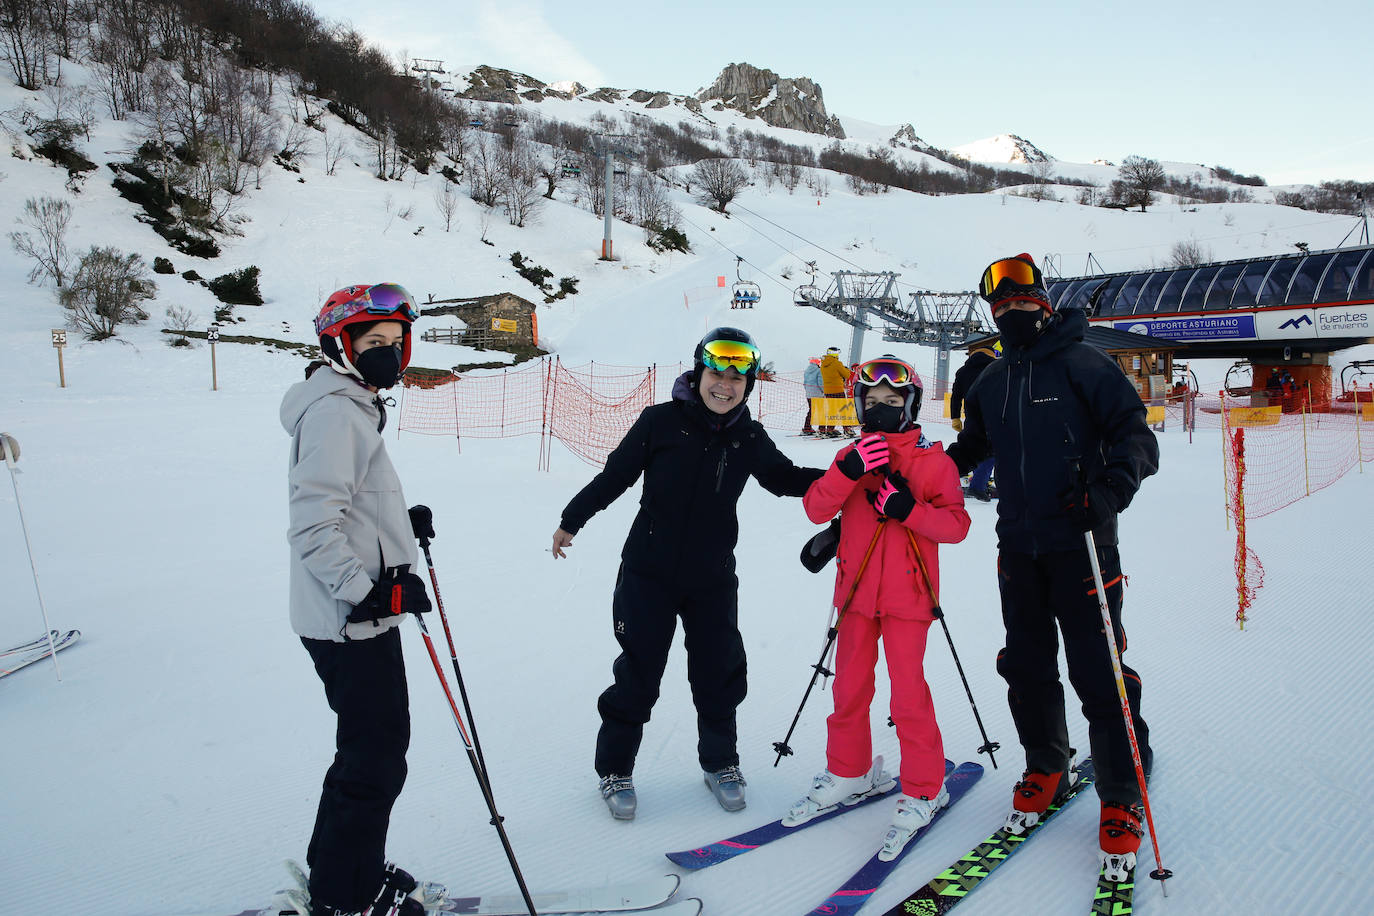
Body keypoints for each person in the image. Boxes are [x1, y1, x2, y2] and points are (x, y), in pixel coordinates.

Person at [550, 328, 824, 820]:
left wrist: (846, 476)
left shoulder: (749, 436)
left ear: (749, 385)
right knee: (638, 674)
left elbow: (785, 481)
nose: (725, 386)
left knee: (718, 672)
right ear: (699, 373)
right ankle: (615, 768)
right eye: (716, 373)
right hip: (647, 573)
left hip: (712, 578)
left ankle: (720, 763)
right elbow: (616, 475)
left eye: (737, 379)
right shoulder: (660, 422)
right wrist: (573, 519)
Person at [945, 254, 1160, 875]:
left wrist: (1108, 489)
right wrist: (925, 472)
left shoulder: (1087, 364)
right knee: (1027, 664)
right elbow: (971, 448)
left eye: (1022, 300)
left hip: (1084, 545)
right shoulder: (990, 380)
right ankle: (1046, 761)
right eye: (1000, 304)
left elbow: (1136, 438)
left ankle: (1121, 790)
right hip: (1018, 548)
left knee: (1098, 670)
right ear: (992, 312)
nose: (1012, 310)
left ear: (1042, 301)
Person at [281, 283, 436, 916]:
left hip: (351, 618)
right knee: (375, 759)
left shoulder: (350, 403)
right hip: (349, 622)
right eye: (374, 344)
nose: (389, 356)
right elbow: (313, 523)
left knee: (365, 752)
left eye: (397, 344)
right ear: (338, 346)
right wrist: (368, 592)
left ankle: (344, 869)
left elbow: (351, 503)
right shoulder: (336, 412)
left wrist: (398, 522)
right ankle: (348, 896)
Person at [790, 355, 971, 862]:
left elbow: (957, 526)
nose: (883, 410)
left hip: (909, 598)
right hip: (854, 596)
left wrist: (907, 510)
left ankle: (923, 787)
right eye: (874, 402)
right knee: (848, 686)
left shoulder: (933, 462)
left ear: (910, 405)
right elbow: (816, 508)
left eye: (894, 402)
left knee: (907, 694)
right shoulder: (851, 456)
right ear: (860, 406)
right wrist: (848, 472)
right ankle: (850, 770)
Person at [949, 343, 998, 501]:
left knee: (970, 449)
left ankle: (945, 479)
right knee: (992, 451)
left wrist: (955, 417)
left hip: (972, 416)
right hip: (995, 416)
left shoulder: (963, 371)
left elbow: (956, 396)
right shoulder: (997, 367)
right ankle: (978, 485)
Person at [818, 346, 853, 438]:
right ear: (835, 353)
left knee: (831, 410)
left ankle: (830, 429)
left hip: (827, 390)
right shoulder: (837, 363)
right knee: (843, 410)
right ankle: (847, 429)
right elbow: (847, 374)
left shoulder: (823, 364)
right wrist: (846, 370)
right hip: (838, 389)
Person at [802, 356, 824, 436]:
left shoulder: (806, 371)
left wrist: (807, 391)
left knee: (811, 411)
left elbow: (804, 383)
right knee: (822, 411)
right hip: (817, 394)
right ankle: (822, 428)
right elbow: (820, 383)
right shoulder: (819, 370)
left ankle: (807, 427)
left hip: (809, 394)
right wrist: (824, 391)